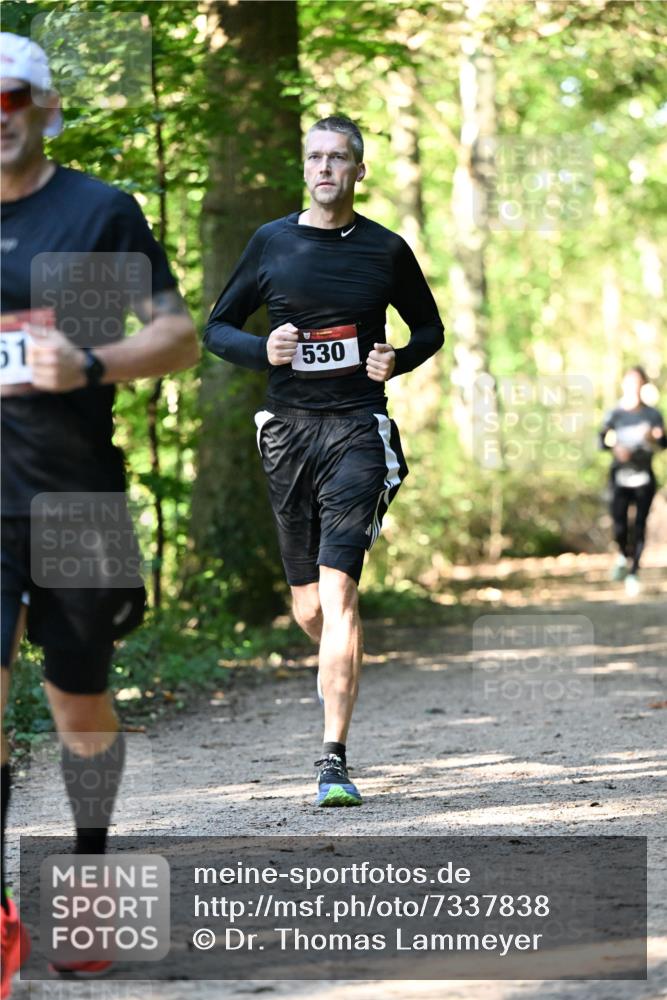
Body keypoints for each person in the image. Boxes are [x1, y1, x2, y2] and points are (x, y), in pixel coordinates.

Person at [0, 32, 199, 995]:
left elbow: (175, 334)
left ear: (41, 105)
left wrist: (88, 363)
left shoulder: (92, 214)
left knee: (78, 702)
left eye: (10, 97)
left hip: (75, 493)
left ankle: (87, 871)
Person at [204, 115, 444, 808]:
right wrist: (263, 350)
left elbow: (428, 326)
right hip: (287, 433)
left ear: (359, 171)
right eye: (315, 156)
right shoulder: (271, 242)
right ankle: (338, 645)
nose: (325, 168)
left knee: (337, 594)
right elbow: (217, 326)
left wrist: (396, 359)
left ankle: (332, 758)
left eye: (339, 158)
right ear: (303, 166)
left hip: (357, 432)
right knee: (309, 607)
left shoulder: (385, 250)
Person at [600, 366, 666, 596]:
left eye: (639, 383)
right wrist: (615, 448)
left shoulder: (653, 414)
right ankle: (622, 555)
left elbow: (663, 442)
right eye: (631, 383)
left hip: (644, 477)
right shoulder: (614, 414)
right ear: (624, 385)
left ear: (644, 386)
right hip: (619, 476)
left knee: (639, 526)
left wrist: (655, 437)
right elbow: (602, 441)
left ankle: (633, 572)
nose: (635, 388)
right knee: (619, 525)